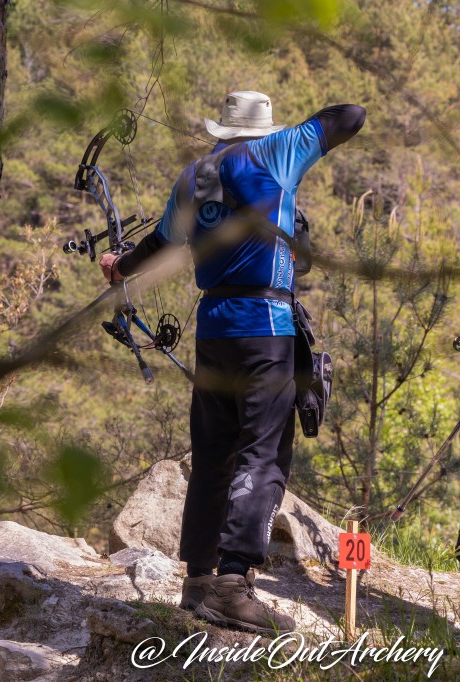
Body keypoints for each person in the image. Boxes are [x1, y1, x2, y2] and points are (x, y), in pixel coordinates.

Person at [99, 91, 365, 635]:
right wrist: (299, 138)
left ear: (222, 130)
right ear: (264, 129)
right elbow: (351, 117)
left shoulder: (192, 177)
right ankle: (233, 584)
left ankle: (197, 582)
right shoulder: (276, 152)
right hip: (265, 328)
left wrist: (119, 265)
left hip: (214, 328)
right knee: (262, 454)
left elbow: (159, 243)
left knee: (215, 453)